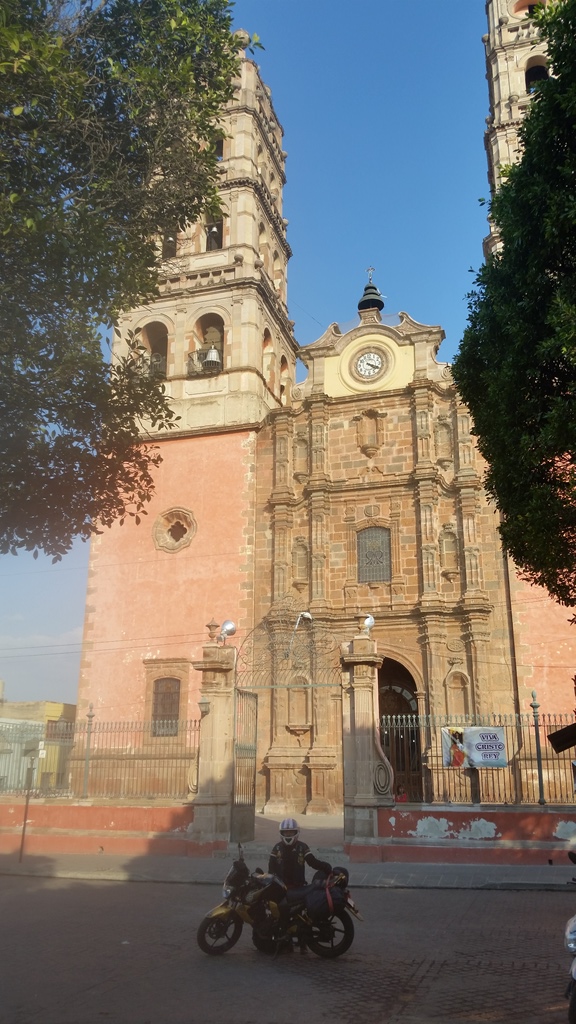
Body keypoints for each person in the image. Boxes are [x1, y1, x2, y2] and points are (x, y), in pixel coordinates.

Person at [268, 817, 332, 888]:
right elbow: (271, 868)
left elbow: (312, 862)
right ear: (281, 833)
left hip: (299, 886)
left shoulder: (302, 847)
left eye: (291, 832)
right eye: (286, 832)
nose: (288, 834)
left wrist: (326, 867)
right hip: (281, 887)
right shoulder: (277, 848)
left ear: (297, 832)